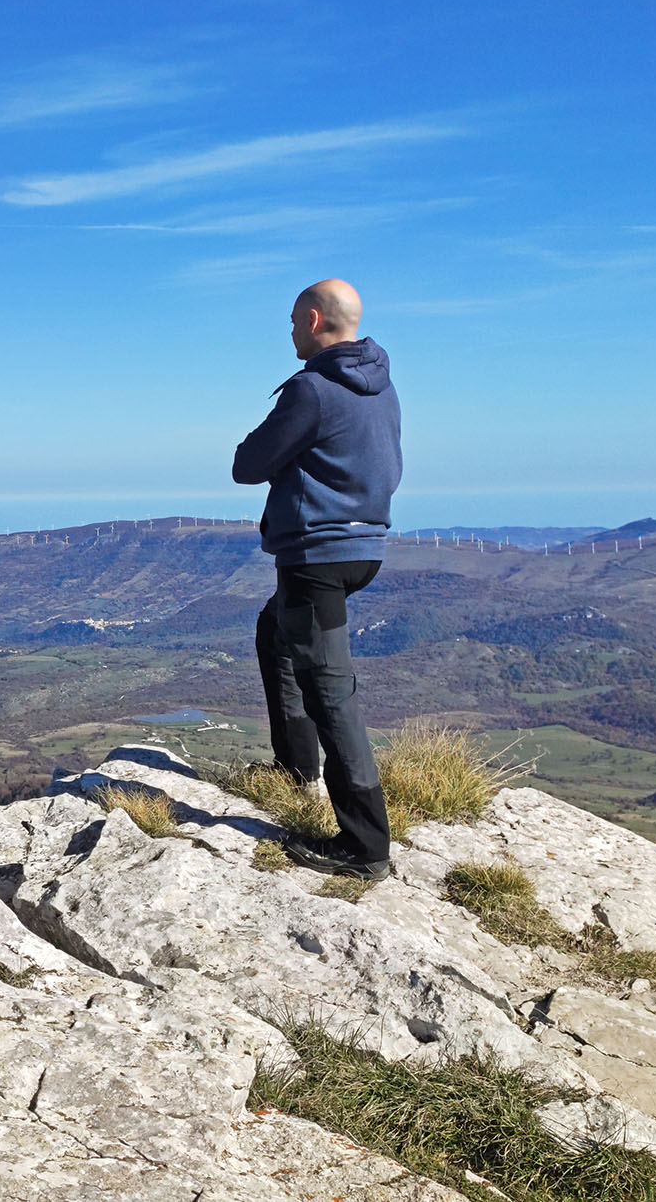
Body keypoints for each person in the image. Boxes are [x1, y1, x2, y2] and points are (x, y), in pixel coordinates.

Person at [232, 278, 402, 879]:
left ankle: (365, 847)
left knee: (331, 690)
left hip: (316, 556)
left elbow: (247, 466)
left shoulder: (312, 389)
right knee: (275, 632)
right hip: (363, 547)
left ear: (310, 320)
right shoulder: (381, 386)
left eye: (290, 322)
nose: (288, 333)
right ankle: (296, 769)